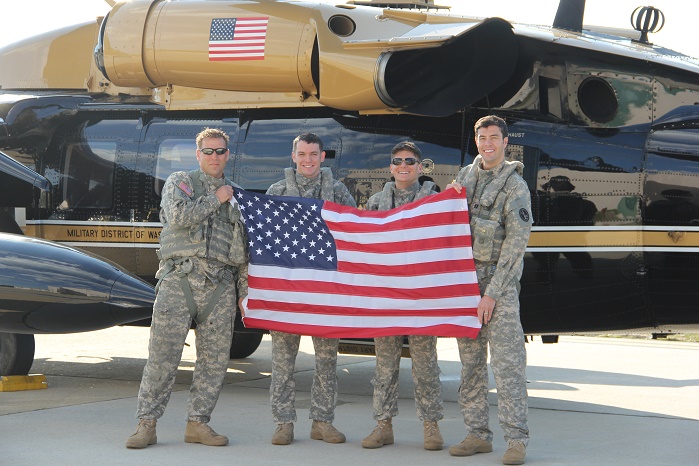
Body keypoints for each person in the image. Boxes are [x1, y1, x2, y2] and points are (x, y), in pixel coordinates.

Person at [125, 128, 248, 449]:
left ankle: (198, 424)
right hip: (179, 281)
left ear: (228, 154)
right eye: (208, 151)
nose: (214, 157)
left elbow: (246, 251)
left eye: (220, 151)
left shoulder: (239, 195)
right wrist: (215, 198)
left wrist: (244, 291)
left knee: (215, 361)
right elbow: (178, 217)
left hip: (220, 286)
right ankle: (146, 424)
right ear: (198, 154)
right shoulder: (180, 182)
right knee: (162, 357)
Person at [446, 115, 532, 465]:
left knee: (508, 364)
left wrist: (492, 294)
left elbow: (516, 243)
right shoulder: (465, 177)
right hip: (466, 284)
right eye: (482, 137)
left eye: (494, 137)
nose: (487, 144)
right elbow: (443, 217)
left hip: (499, 286)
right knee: (470, 364)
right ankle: (477, 433)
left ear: (505, 141)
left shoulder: (515, 187)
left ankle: (516, 440)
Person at [265, 132, 357, 446]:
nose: (308, 160)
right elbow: (264, 244)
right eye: (302, 154)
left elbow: (354, 235)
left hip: (326, 291)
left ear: (322, 157)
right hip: (288, 293)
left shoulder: (339, 193)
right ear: (294, 156)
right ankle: (283, 423)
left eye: (314, 155)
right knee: (283, 359)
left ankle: (322, 421)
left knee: (327, 359)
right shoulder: (277, 192)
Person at [361, 141, 444, 451]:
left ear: (420, 167)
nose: (403, 165)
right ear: (391, 166)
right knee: (385, 364)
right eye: (397, 160)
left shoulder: (435, 201)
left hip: (420, 297)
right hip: (386, 297)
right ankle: (383, 424)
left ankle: (431, 426)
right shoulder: (375, 203)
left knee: (425, 363)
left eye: (410, 160)